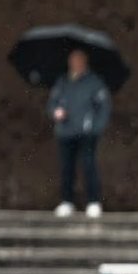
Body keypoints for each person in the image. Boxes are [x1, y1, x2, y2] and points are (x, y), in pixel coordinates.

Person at [47, 49, 111, 218]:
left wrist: (95, 127)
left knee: (89, 166)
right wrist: (56, 112)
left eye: (78, 60)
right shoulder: (62, 82)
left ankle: (93, 201)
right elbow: (52, 103)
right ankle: (67, 201)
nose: (75, 64)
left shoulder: (94, 82)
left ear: (84, 62)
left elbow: (104, 107)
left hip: (86, 133)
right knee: (66, 168)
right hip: (65, 132)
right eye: (73, 60)